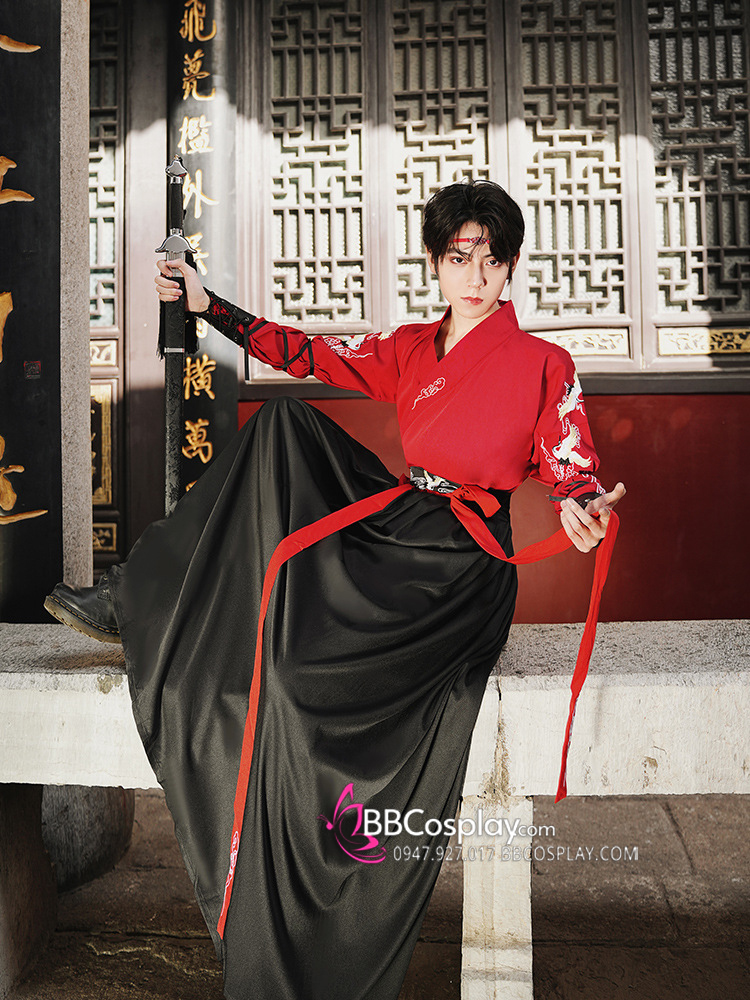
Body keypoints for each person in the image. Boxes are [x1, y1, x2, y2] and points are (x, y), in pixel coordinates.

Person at [46, 180, 624, 1000]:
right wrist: (210, 306)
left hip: (462, 566)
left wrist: (584, 509)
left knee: (294, 682)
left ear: (511, 267)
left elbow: (574, 469)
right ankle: (140, 594)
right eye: (459, 257)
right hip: (398, 527)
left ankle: (325, 915)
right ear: (435, 263)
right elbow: (306, 352)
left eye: (493, 260)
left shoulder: (543, 365)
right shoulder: (411, 348)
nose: (476, 276)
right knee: (283, 426)